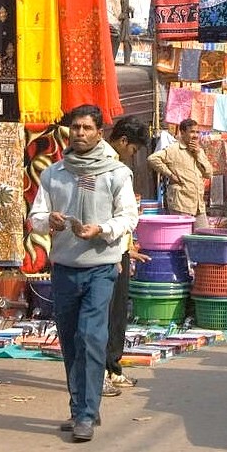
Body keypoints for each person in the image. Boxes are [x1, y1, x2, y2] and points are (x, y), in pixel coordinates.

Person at [27, 105, 139, 442]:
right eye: (75, 127)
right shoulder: (54, 173)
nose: (79, 133)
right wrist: (49, 221)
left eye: (87, 128)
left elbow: (128, 216)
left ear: (99, 133)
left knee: (91, 336)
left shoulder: (117, 173)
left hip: (101, 267)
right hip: (65, 269)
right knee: (71, 341)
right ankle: (82, 406)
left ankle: (85, 414)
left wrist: (101, 229)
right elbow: (35, 217)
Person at [101, 116, 151, 397]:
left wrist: (126, 248)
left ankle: (113, 367)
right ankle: (103, 371)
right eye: (133, 149)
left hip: (118, 247)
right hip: (107, 250)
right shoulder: (107, 165)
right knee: (107, 314)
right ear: (122, 141)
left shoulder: (117, 165)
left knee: (117, 313)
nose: (133, 155)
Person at [147, 118, 213, 229]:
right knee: (181, 235)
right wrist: (169, 174)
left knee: (204, 235)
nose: (195, 136)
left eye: (197, 132)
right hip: (181, 203)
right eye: (192, 132)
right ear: (182, 132)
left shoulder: (199, 151)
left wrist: (198, 154)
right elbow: (152, 159)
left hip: (199, 206)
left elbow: (208, 174)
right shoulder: (174, 149)